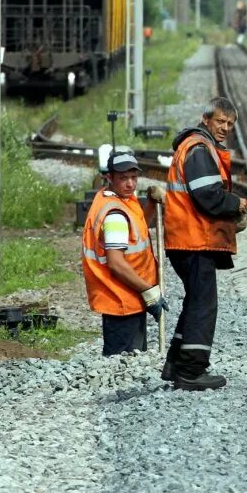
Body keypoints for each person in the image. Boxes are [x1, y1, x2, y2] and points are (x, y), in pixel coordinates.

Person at [160, 97, 247, 391]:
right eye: (220, 121)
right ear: (206, 119)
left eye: (230, 124)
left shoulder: (197, 145)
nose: (224, 128)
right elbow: (208, 196)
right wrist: (236, 203)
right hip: (193, 240)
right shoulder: (199, 149)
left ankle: (176, 363)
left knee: (194, 301)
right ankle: (192, 371)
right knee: (203, 304)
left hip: (187, 238)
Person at [81, 148, 168, 356]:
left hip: (128, 297)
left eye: (133, 177)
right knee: (123, 361)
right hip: (121, 300)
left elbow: (136, 230)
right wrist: (149, 292)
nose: (130, 184)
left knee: (128, 358)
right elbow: (116, 263)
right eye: (123, 178)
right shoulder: (115, 215)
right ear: (109, 177)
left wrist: (150, 204)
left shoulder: (119, 199)